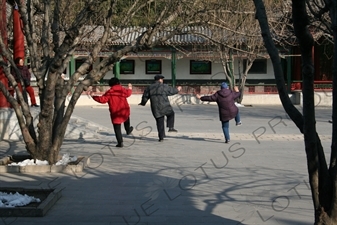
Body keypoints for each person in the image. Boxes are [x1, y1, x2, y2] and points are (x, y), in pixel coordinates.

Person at [91, 77, 133, 147]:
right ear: (118, 83)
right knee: (126, 119)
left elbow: (102, 100)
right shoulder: (122, 89)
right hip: (124, 109)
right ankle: (128, 129)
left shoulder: (109, 92)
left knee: (117, 128)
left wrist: (94, 96)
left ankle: (120, 142)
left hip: (115, 112)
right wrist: (130, 87)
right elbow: (128, 93)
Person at [139, 74, 181, 142]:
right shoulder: (164, 86)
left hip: (155, 107)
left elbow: (145, 97)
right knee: (171, 114)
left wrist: (143, 103)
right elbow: (172, 91)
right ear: (160, 80)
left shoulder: (149, 87)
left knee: (159, 121)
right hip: (165, 106)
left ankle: (161, 137)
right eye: (162, 79)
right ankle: (170, 127)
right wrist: (177, 89)